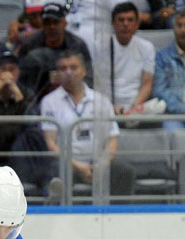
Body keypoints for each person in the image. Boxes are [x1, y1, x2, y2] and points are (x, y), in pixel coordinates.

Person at [40, 50, 136, 195]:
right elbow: (51, 144)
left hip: (97, 161)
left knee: (125, 171)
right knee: (56, 173)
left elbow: (112, 140)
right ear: (57, 74)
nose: (68, 72)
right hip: (68, 163)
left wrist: (100, 165)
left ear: (84, 71)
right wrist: (80, 167)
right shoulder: (49, 101)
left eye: (73, 67)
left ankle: (119, 216)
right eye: (63, 68)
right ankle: (60, 215)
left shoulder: (101, 100)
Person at [19, 2, 93, 104]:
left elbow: (88, 77)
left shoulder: (77, 45)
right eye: (47, 23)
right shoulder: (29, 45)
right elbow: (21, 79)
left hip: (72, 97)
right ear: (42, 25)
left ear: (64, 23)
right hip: (36, 99)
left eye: (56, 22)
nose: (52, 27)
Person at [108, 2, 156, 117]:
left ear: (137, 23)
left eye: (130, 20)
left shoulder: (147, 47)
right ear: (113, 23)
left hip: (137, 104)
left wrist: (134, 107)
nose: (125, 24)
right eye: (121, 20)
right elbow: (99, 83)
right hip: (108, 105)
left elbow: (147, 82)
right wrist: (111, 107)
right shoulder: (101, 46)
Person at [153, 9, 185, 130]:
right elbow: (160, 90)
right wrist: (182, 110)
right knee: (172, 131)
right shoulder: (161, 56)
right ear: (173, 29)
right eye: (179, 25)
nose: (183, 30)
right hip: (174, 114)